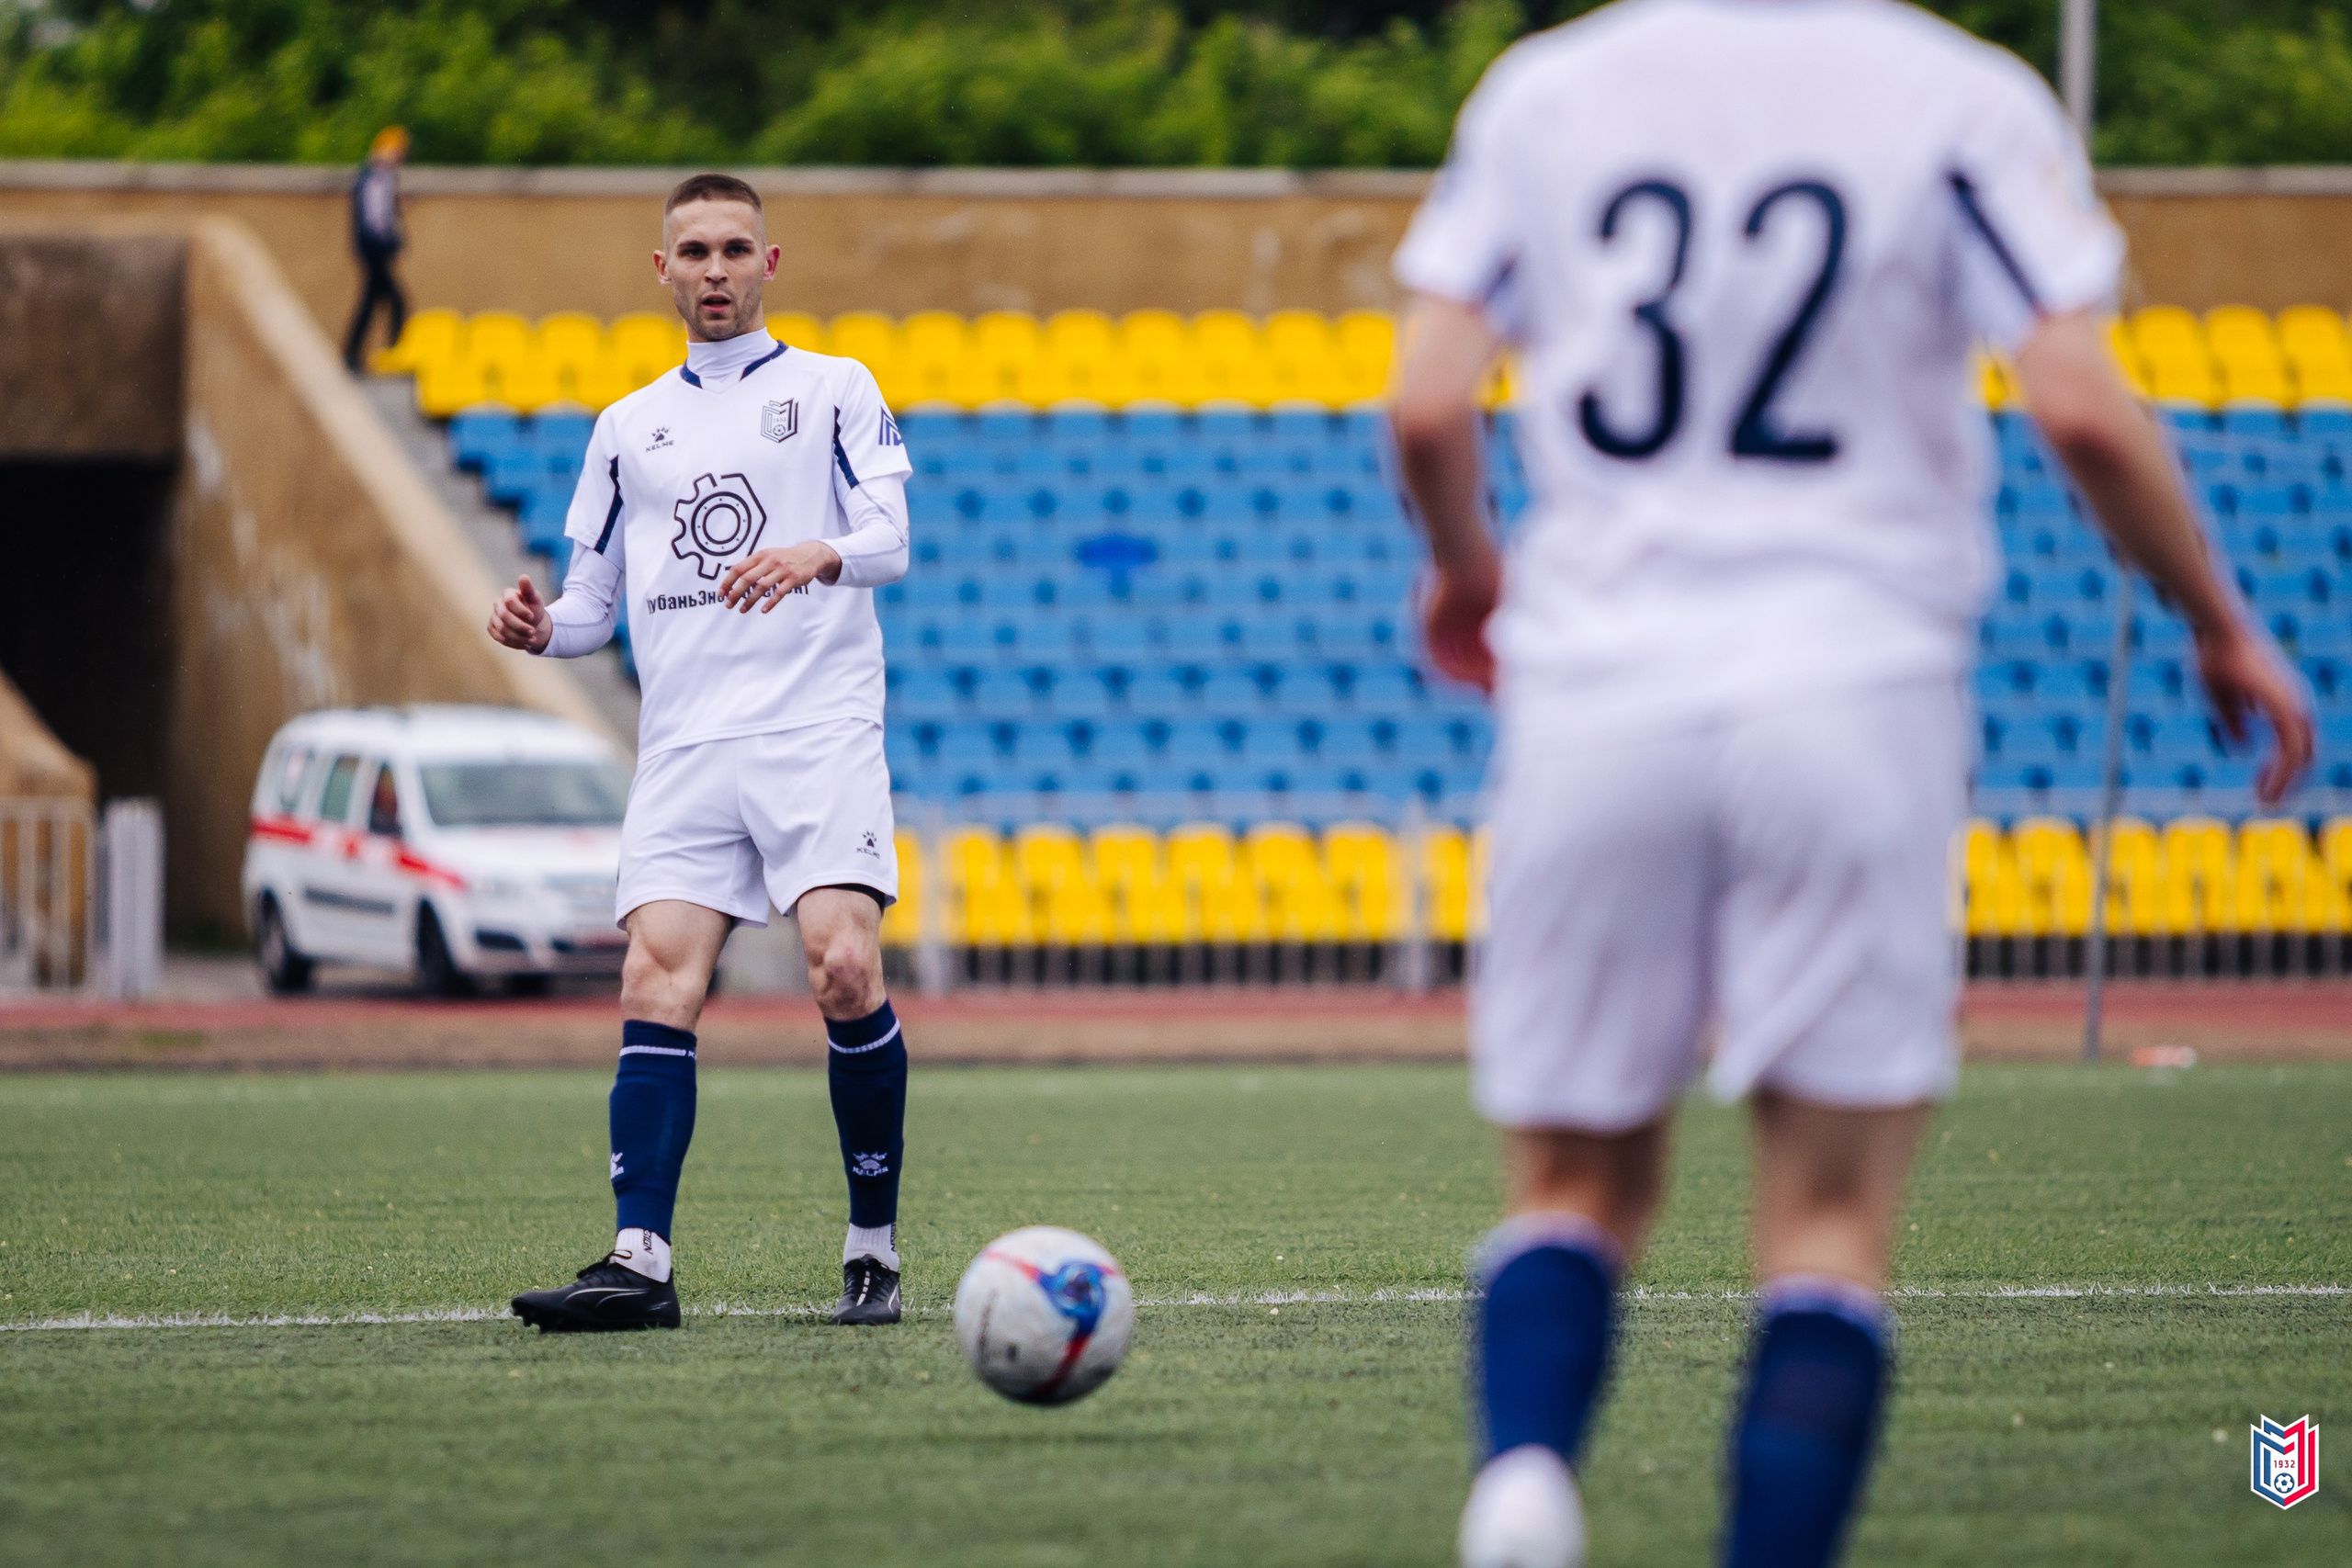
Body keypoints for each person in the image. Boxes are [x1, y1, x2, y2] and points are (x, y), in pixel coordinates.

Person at [1386, 4, 2313, 1565]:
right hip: (1853, 678)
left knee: (1574, 1187)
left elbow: (1423, 401)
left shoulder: (1547, 90)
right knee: (1823, 1223)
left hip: (1600, 681)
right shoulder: (1956, 94)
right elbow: (2079, 403)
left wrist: (1472, 570)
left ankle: (1527, 1483)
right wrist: (2217, 621)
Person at [488, 172, 916, 1332]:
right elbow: (590, 606)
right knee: (651, 981)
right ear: (662, 270)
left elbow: (890, 536)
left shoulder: (834, 389)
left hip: (814, 727)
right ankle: (639, 1264)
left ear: (769, 266)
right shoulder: (627, 427)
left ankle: (871, 1248)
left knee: (842, 965)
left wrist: (815, 553)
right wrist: (542, 630)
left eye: (736, 248)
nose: (715, 269)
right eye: (694, 251)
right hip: (685, 744)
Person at [343, 126, 410, 372]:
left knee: (373, 302)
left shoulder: (377, 176)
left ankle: (352, 355)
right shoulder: (375, 176)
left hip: (373, 249)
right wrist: (389, 241)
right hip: (374, 250)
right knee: (394, 302)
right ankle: (393, 354)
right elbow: (375, 217)